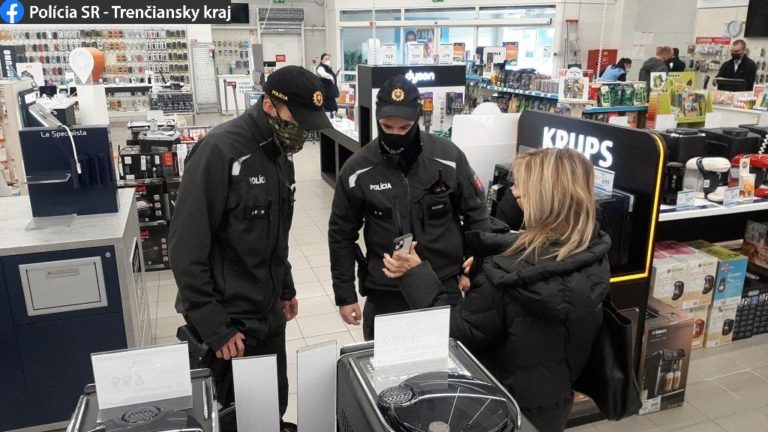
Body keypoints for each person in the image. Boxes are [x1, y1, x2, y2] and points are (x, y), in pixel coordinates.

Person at [384, 147, 611, 432]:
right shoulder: (591, 251)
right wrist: (491, 260)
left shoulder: (505, 278)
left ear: (540, 197)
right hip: (553, 404)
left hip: (498, 408)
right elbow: (541, 265)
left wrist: (415, 275)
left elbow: (454, 333)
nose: (515, 194)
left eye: (521, 188)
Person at [169, 66, 332, 432]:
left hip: (269, 314)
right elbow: (184, 247)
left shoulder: (277, 153)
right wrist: (215, 326)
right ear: (270, 105)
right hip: (230, 327)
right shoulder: (220, 151)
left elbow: (274, 237)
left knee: (271, 407)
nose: (303, 132)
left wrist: (286, 288)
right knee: (233, 419)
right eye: (297, 120)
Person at [328, 76, 490, 341]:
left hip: (443, 285)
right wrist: (345, 295)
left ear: (418, 118)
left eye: (405, 127)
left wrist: (475, 270)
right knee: (386, 373)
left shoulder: (448, 157)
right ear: (377, 118)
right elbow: (340, 234)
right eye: (387, 127)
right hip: (385, 290)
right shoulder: (357, 169)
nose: (396, 134)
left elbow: (477, 216)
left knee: (445, 370)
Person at [316, 53, 340, 117]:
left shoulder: (328, 68)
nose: (327, 60)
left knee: (335, 110)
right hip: (326, 96)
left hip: (330, 95)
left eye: (328, 59)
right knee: (331, 112)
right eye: (326, 59)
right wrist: (330, 77)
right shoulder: (320, 67)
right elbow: (322, 73)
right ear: (321, 60)